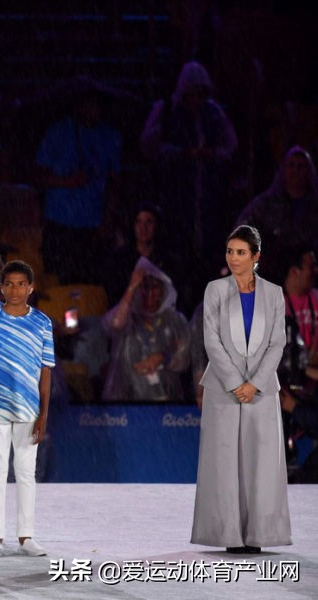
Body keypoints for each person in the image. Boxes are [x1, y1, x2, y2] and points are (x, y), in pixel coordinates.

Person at [191, 225, 292, 554]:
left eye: (241, 252)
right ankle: (229, 534)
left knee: (261, 464)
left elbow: (277, 343)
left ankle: (258, 534)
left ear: (256, 256)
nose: (233, 258)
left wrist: (255, 384)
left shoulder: (274, 294)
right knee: (224, 464)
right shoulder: (215, 290)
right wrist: (236, 383)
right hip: (223, 390)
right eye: (230, 251)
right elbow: (212, 341)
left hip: (262, 392)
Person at [0, 260, 54, 557]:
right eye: (9, 283)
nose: (15, 289)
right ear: (1, 287)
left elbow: (46, 371)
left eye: (22, 284)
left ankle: (26, 535)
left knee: (25, 472)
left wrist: (43, 415)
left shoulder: (43, 323)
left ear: (31, 288)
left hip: (28, 408)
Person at [140, 61, 238, 276]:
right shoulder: (166, 110)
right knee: (175, 249)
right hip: (174, 192)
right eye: (191, 93)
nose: (195, 99)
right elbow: (148, 146)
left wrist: (209, 154)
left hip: (207, 195)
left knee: (206, 255)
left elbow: (230, 146)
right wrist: (181, 153)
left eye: (199, 93)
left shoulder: (214, 113)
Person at [35, 89, 121, 284]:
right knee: (60, 282)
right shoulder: (57, 133)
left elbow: (115, 182)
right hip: (60, 222)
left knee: (89, 283)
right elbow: (38, 175)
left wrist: (108, 219)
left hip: (93, 224)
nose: (92, 111)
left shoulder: (110, 136)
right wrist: (66, 181)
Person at [101, 258, 190, 402]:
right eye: (144, 287)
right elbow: (115, 324)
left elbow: (184, 358)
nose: (150, 293)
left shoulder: (175, 320)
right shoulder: (127, 316)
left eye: (155, 287)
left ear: (163, 290)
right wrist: (132, 286)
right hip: (123, 404)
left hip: (166, 405)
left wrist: (162, 358)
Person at [236, 146, 318, 277]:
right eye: (291, 165)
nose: (296, 171)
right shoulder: (265, 203)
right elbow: (243, 229)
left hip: (308, 269)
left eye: (301, 166)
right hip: (273, 269)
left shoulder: (314, 205)